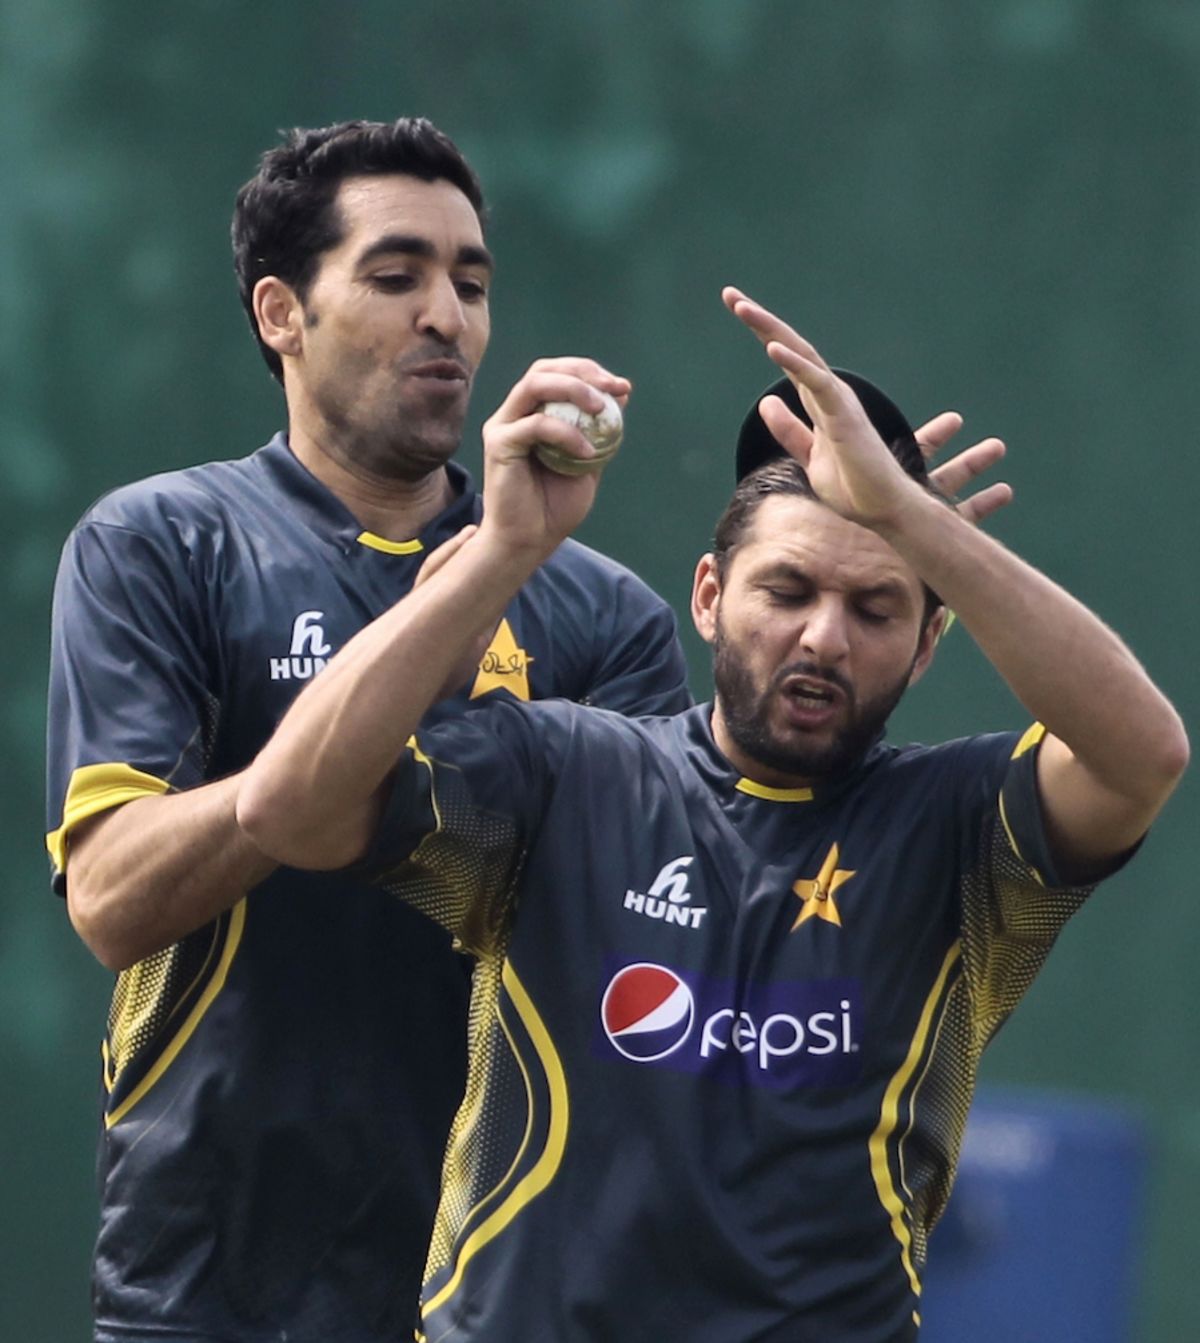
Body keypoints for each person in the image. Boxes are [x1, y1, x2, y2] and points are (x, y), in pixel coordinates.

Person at [235, 288, 1188, 1343]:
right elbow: (287, 808)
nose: (824, 636)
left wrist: (909, 519)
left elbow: (1142, 754)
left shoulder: (959, 825)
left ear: (926, 648)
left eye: (876, 608)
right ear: (707, 596)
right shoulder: (561, 766)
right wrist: (504, 549)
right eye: (787, 591)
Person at [46, 118, 698, 1343]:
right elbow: (114, 898)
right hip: (212, 1278)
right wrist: (487, 569)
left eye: (471, 281)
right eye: (396, 277)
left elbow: (640, 946)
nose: (446, 315)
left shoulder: (606, 614)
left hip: (506, 1286)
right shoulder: (157, 545)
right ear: (281, 314)